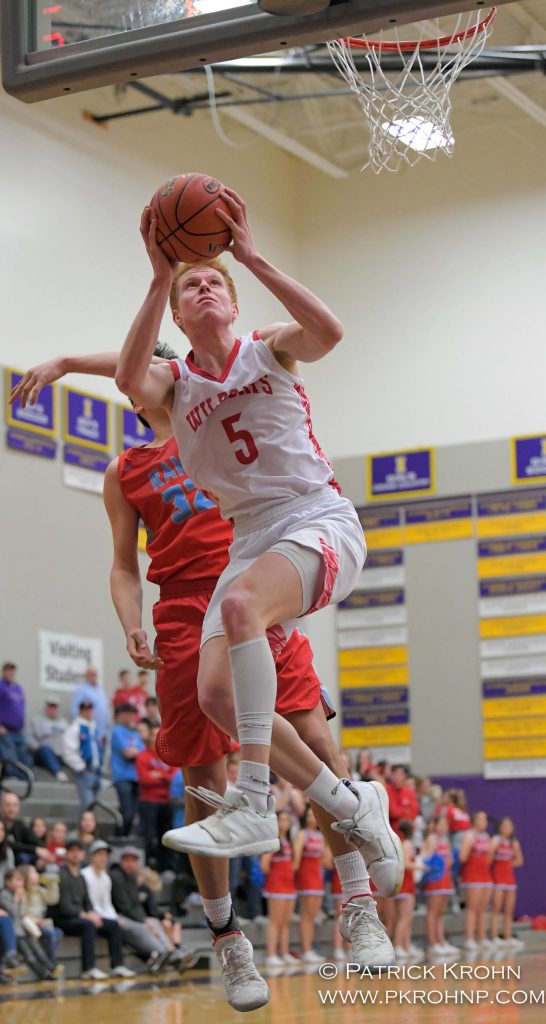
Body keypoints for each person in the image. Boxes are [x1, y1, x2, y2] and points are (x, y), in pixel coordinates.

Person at [12, 336, 399, 998]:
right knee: (204, 784)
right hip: (185, 615)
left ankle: (359, 905)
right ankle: (228, 939)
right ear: (136, 391)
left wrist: (72, 361)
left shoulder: (214, 433)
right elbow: (121, 564)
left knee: (317, 744)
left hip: (256, 587)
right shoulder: (125, 470)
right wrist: (131, 622)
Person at [51, 836, 129, 980]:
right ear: (66, 854)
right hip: (64, 919)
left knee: (113, 925)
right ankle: (88, 968)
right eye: (72, 851)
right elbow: (64, 906)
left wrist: (93, 914)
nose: (75, 854)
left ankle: (117, 965)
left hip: (80, 917)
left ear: (83, 854)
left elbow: (88, 902)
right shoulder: (61, 874)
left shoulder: (81, 877)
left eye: (78, 851)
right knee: (88, 925)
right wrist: (85, 915)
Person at [110, 846, 197, 973]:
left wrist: (145, 919)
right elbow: (124, 906)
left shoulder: (132, 878)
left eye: (133, 860)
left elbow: (137, 906)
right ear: (121, 861)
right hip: (117, 915)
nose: (130, 864)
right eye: (127, 860)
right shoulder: (116, 877)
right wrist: (143, 921)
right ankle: (166, 953)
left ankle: (170, 952)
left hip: (131, 915)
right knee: (146, 926)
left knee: (154, 922)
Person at [0, 868, 55, 979]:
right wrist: (16, 899)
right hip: (15, 931)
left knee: (37, 949)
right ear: (7, 881)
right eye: (17, 880)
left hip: (24, 929)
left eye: (21, 880)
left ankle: (50, 967)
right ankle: (43, 973)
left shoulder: (20, 893)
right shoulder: (4, 895)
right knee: (29, 955)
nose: (20, 883)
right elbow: (14, 912)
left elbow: (22, 912)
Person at [136, 726, 176, 872]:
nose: (156, 738)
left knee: (166, 836)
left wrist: (159, 775)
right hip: (148, 801)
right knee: (148, 835)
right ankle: (144, 865)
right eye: (153, 735)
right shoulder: (143, 756)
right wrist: (164, 777)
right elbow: (145, 779)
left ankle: (164, 867)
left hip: (166, 801)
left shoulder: (169, 756)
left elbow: (175, 777)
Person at [261, 811, 297, 967]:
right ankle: (271, 954)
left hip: (289, 884)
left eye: (287, 820)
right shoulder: (272, 841)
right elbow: (264, 865)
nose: (284, 823)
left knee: (285, 921)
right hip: (276, 884)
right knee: (275, 921)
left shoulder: (289, 841)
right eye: (281, 819)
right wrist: (276, 875)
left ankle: (284, 952)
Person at [421, 815, 458, 957]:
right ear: (435, 826)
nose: (444, 827)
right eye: (441, 824)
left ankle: (441, 941)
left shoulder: (446, 840)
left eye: (446, 825)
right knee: (433, 912)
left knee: (440, 912)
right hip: (435, 880)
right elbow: (426, 858)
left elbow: (449, 860)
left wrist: (449, 859)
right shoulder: (432, 839)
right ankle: (432, 943)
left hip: (446, 879)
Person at [293, 804, 325, 963]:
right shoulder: (302, 834)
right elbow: (296, 860)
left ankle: (310, 948)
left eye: (314, 815)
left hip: (317, 877)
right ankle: (306, 949)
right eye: (309, 816)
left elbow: (325, 861)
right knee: (306, 915)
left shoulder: (321, 836)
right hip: (306, 877)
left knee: (313, 915)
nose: (311, 818)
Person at [459, 811, 493, 951]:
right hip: (472, 876)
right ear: (474, 820)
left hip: (485, 875)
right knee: (472, 908)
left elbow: (489, 857)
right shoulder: (469, 835)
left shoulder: (486, 836)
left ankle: (482, 937)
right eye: (481, 818)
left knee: (483, 909)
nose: (484, 821)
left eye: (485, 819)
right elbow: (462, 857)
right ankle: (469, 938)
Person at [18, 864, 62, 969]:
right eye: (34, 872)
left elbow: (53, 899)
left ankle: (48, 960)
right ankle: (51, 964)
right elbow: (21, 913)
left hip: (40, 924)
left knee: (58, 932)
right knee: (49, 933)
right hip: (28, 925)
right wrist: (36, 921)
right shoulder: (22, 892)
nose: (38, 874)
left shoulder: (38, 890)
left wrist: (52, 883)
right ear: (25, 876)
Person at [110, 703, 145, 835]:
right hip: (122, 777)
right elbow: (127, 753)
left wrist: (136, 752)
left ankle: (122, 837)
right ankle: (119, 837)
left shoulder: (135, 733)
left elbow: (142, 752)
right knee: (127, 812)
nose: (132, 717)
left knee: (132, 813)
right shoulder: (117, 731)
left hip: (136, 777)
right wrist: (137, 752)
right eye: (130, 714)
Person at [62, 701, 103, 810]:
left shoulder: (95, 728)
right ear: (81, 711)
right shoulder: (75, 728)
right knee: (87, 806)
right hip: (85, 771)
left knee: (94, 806)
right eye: (86, 710)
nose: (89, 712)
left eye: (90, 710)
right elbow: (68, 751)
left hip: (96, 771)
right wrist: (81, 767)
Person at [490, 817, 524, 949]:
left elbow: (519, 860)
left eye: (509, 826)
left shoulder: (513, 842)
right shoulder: (496, 840)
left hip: (509, 879)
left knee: (509, 910)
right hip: (497, 878)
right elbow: (488, 858)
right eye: (505, 826)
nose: (507, 829)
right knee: (496, 908)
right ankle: (494, 936)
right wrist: (499, 863)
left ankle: (508, 935)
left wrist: (507, 864)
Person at [0, 792, 53, 867]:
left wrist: (42, 852)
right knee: (23, 857)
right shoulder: (0, 824)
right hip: (4, 862)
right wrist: (35, 849)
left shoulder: (19, 824)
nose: (12, 809)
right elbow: (10, 844)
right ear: (1, 806)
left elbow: (34, 840)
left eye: (15, 805)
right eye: (8, 805)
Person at [0, 663, 34, 780]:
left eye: (12, 671)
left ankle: (25, 779)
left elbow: (21, 707)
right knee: (10, 756)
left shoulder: (18, 688)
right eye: (8, 671)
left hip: (18, 731)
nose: (11, 674)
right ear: (3, 671)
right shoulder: (1, 686)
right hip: (5, 730)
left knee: (24, 756)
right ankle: (13, 778)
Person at [392, 820, 419, 960]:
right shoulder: (407, 844)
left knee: (407, 917)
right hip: (405, 883)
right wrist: (421, 866)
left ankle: (405, 945)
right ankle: (398, 945)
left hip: (406, 883)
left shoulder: (403, 844)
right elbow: (406, 863)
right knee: (404, 917)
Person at [26, 698, 69, 782]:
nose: (52, 709)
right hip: (42, 754)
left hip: (60, 755)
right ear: (46, 707)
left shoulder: (63, 723)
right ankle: (57, 772)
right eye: (50, 706)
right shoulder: (37, 720)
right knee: (45, 749)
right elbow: (28, 737)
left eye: (54, 707)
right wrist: (37, 746)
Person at [70, 667, 111, 743]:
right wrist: (82, 728)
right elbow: (74, 710)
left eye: (95, 674)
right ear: (86, 676)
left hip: (103, 732)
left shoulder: (101, 690)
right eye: (91, 674)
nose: (93, 676)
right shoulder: (81, 690)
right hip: (89, 732)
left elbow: (106, 709)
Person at [385, 766, 420, 836]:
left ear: (404, 776)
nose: (397, 777)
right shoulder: (388, 791)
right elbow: (393, 812)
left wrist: (402, 813)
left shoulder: (409, 793)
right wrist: (405, 810)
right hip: (392, 832)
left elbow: (414, 812)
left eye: (400, 775)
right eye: (395, 774)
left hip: (408, 831)